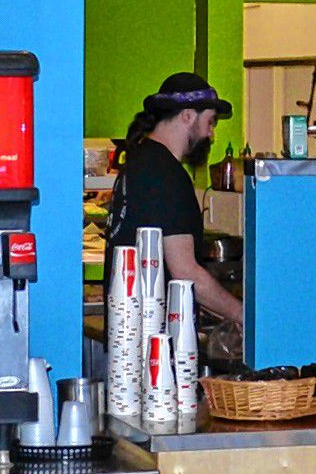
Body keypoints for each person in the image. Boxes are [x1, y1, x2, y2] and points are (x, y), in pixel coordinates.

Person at [103, 72, 247, 330]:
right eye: (210, 122)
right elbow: (185, 272)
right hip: (157, 342)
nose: (211, 135)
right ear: (188, 116)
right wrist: (243, 316)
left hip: (130, 332)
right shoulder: (166, 174)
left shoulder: (141, 161)